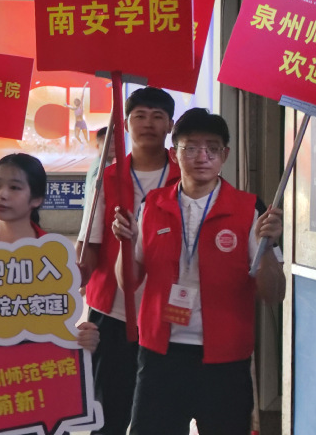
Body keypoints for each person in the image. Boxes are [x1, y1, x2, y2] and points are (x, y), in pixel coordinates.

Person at [112, 108, 285, 435]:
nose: (202, 156)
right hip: (160, 355)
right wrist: (127, 242)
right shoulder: (152, 205)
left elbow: (274, 294)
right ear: (174, 154)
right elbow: (128, 282)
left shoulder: (250, 209)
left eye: (212, 148)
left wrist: (268, 247)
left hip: (225, 359)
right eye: (190, 147)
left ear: (225, 155)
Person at [75, 87, 180, 435]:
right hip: (112, 311)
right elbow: (89, 245)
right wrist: (74, 278)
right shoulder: (106, 178)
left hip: (167, 313)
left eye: (157, 116)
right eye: (140, 116)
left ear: (170, 125)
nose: (148, 123)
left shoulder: (185, 177)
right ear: (125, 124)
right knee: (108, 413)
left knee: (161, 415)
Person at [0, 153, 100, 352]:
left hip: (34, 363)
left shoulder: (56, 258)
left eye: (14, 187)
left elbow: (57, 323)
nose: (1, 194)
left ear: (36, 199)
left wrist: (80, 338)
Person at [77, 126, 116, 242]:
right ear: (98, 146)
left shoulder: (103, 165)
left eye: (115, 141)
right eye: (108, 142)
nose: (113, 146)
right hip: (97, 228)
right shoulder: (100, 169)